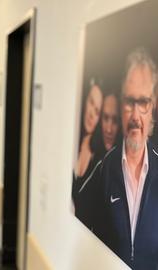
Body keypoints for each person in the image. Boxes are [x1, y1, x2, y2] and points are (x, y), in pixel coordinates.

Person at [85, 48, 158, 270]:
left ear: (152, 107)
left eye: (143, 102)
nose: (135, 115)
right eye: (129, 101)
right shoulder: (103, 168)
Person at [71, 83, 104, 224]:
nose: (91, 114)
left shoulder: (98, 161)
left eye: (97, 112)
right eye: (91, 102)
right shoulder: (69, 139)